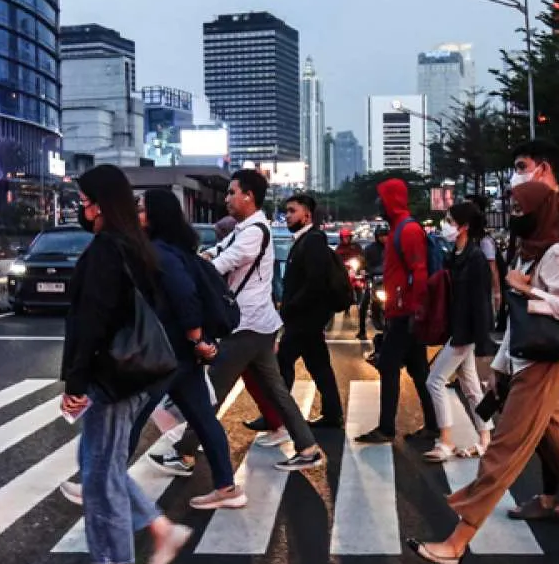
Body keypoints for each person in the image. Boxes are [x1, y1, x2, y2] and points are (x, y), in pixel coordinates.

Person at [405, 181, 559, 564]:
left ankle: (457, 544)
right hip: (523, 362)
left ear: (538, 212)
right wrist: (500, 367)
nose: (513, 215)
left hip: (542, 368)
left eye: (519, 208)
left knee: (502, 454)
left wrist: (531, 293)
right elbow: (517, 319)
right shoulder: (527, 252)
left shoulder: (555, 253)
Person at [60, 165, 192, 564]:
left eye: (83, 201)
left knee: (99, 472)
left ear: (99, 204)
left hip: (113, 376)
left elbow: (92, 321)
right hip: (135, 373)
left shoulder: (105, 250)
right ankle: (158, 528)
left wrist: (76, 382)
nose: (81, 209)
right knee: (103, 465)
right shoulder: (135, 247)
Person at [155, 169, 324, 472]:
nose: (228, 198)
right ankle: (308, 447)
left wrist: (190, 269)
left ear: (248, 196)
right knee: (275, 391)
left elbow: (221, 263)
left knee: (210, 390)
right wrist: (197, 260)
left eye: (233, 192)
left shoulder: (255, 231)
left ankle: (185, 452)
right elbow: (214, 252)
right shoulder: (244, 228)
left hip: (246, 324)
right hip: (256, 324)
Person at [138, 189, 247, 509]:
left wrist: (198, 339)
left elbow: (184, 296)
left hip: (170, 351)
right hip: (183, 354)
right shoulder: (179, 249)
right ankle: (227, 487)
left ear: (156, 215)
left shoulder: (161, 252)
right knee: (203, 418)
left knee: (131, 415)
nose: (138, 214)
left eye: (142, 209)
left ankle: (99, 482)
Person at [505, 139, 559, 522]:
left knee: (550, 424)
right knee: (552, 423)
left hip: (548, 330)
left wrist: (532, 293)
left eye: (522, 165)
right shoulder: (535, 209)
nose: (516, 174)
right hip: (531, 327)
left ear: (544, 168)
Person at [355, 178, 438, 444]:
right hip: (401, 312)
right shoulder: (398, 230)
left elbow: (420, 272)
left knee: (389, 366)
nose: (378, 203)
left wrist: (415, 310)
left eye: (382, 197)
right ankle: (433, 424)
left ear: (391, 200)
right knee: (418, 371)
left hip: (405, 314)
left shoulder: (408, 230)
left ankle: (386, 428)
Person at [423, 202, 495, 462]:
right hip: (457, 328)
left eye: (450, 220)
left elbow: (481, 302)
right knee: (470, 385)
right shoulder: (455, 254)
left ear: (464, 226)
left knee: (434, 380)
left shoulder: (475, 258)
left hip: (465, 332)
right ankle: (486, 439)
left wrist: (484, 342)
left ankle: (446, 441)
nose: (445, 225)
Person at [275, 194, 343, 430]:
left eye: (292, 211)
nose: (288, 216)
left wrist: (291, 306)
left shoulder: (313, 240)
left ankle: (277, 415)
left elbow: (315, 282)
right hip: (307, 318)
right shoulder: (305, 239)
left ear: (307, 215)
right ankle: (332, 413)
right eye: (287, 211)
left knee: (281, 362)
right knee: (318, 364)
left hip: (305, 317)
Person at [466, 194, 502, 313]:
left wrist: (497, 293)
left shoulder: (484, 241)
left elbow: (493, 268)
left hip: (482, 293)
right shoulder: (468, 240)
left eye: (468, 205)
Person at [357, 224, 389, 340]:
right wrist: (362, 271)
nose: (383, 237)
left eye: (385, 235)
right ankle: (361, 330)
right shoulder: (369, 249)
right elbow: (362, 263)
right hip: (374, 281)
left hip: (390, 282)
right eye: (381, 235)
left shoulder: (392, 248)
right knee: (364, 302)